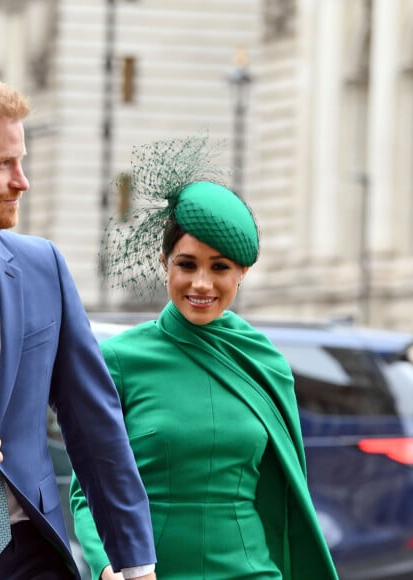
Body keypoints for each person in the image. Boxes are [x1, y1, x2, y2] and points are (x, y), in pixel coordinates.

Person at [0, 74, 156, 580]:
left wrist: (136, 566)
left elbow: (96, 427)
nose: (22, 181)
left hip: (32, 557)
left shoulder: (43, 266)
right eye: (4, 164)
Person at [70, 136, 338, 579]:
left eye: (220, 268)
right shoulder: (117, 359)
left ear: (242, 273)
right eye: (187, 264)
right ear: (164, 263)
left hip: (251, 571)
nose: (201, 284)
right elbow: (87, 490)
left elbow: (285, 494)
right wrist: (107, 568)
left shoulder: (264, 360)